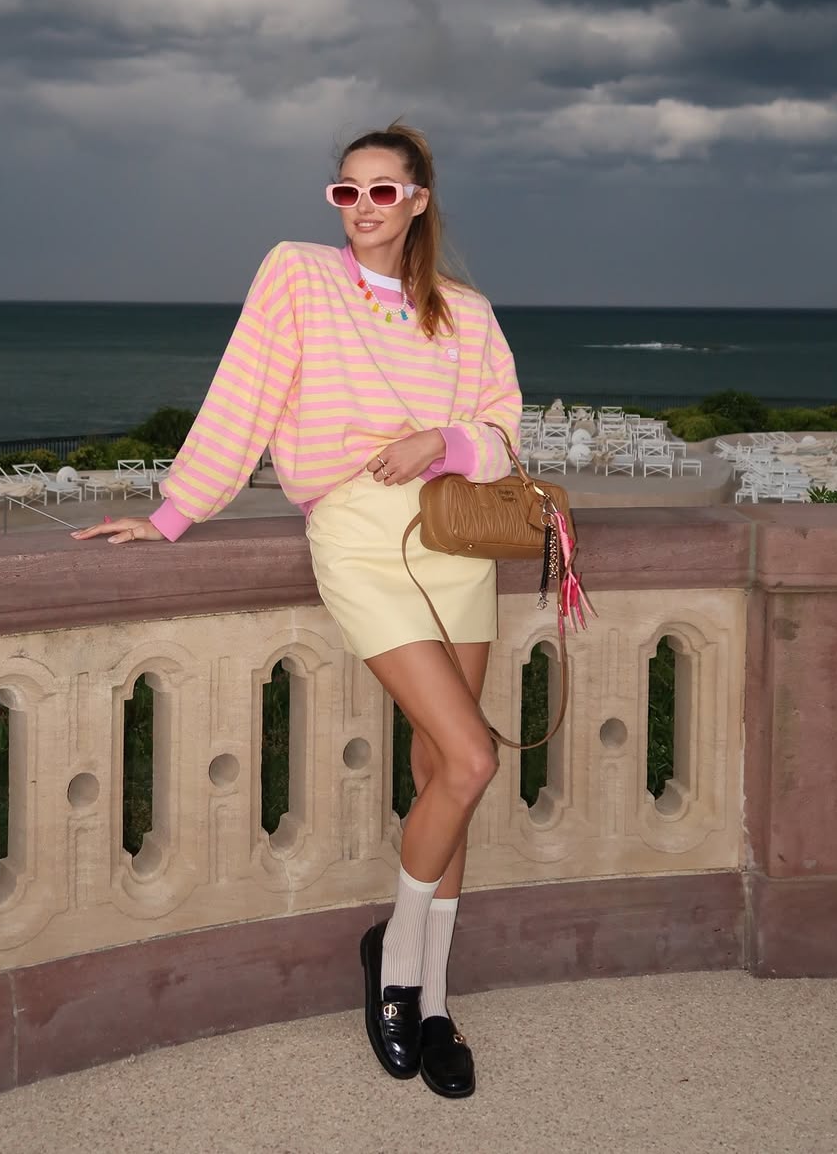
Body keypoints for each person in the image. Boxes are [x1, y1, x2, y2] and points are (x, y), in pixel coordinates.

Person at [73, 122, 522, 1100]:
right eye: (345, 192)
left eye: (382, 191)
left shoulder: (468, 313)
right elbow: (243, 396)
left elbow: (502, 434)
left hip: (456, 541)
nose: (362, 207)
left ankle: (434, 1000)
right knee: (474, 757)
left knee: (442, 773)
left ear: (418, 202)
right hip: (358, 535)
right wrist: (173, 512)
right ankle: (393, 965)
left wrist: (441, 443)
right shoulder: (298, 276)